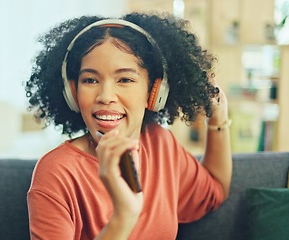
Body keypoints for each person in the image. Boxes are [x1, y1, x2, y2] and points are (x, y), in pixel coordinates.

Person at [25, 11, 232, 239]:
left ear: (154, 93)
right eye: (90, 80)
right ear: (73, 93)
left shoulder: (160, 145)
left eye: (125, 79)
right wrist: (124, 215)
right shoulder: (56, 172)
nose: (105, 96)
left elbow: (214, 192)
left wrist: (218, 118)